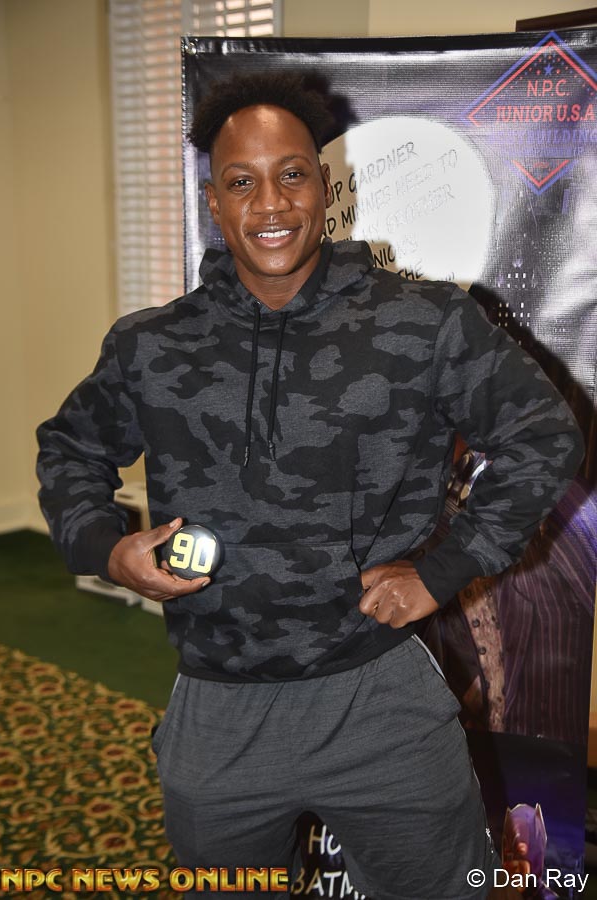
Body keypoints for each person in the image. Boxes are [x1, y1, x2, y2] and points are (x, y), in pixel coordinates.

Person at [36, 72, 584, 899]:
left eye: (291, 174)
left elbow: (544, 437)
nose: (270, 203)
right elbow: (69, 449)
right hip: (218, 704)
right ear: (213, 202)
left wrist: (439, 572)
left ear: (326, 187)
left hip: (380, 694)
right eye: (241, 182)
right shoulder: (151, 346)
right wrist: (109, 550)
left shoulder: (426, 323)